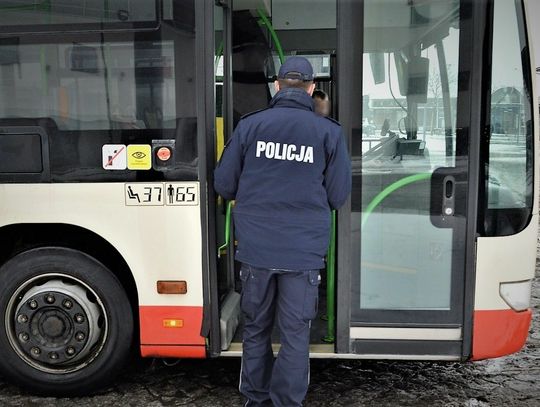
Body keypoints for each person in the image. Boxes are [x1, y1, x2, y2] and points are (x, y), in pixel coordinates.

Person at [214, 56, 351, 407]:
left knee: (256, 329)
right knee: (295, 335)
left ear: (276, 86)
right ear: (310, 88)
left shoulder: (250, 126)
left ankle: (255, 401)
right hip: (303, 254)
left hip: (256, 251)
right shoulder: (329, 132)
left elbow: (224, 184)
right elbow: (337, 196)